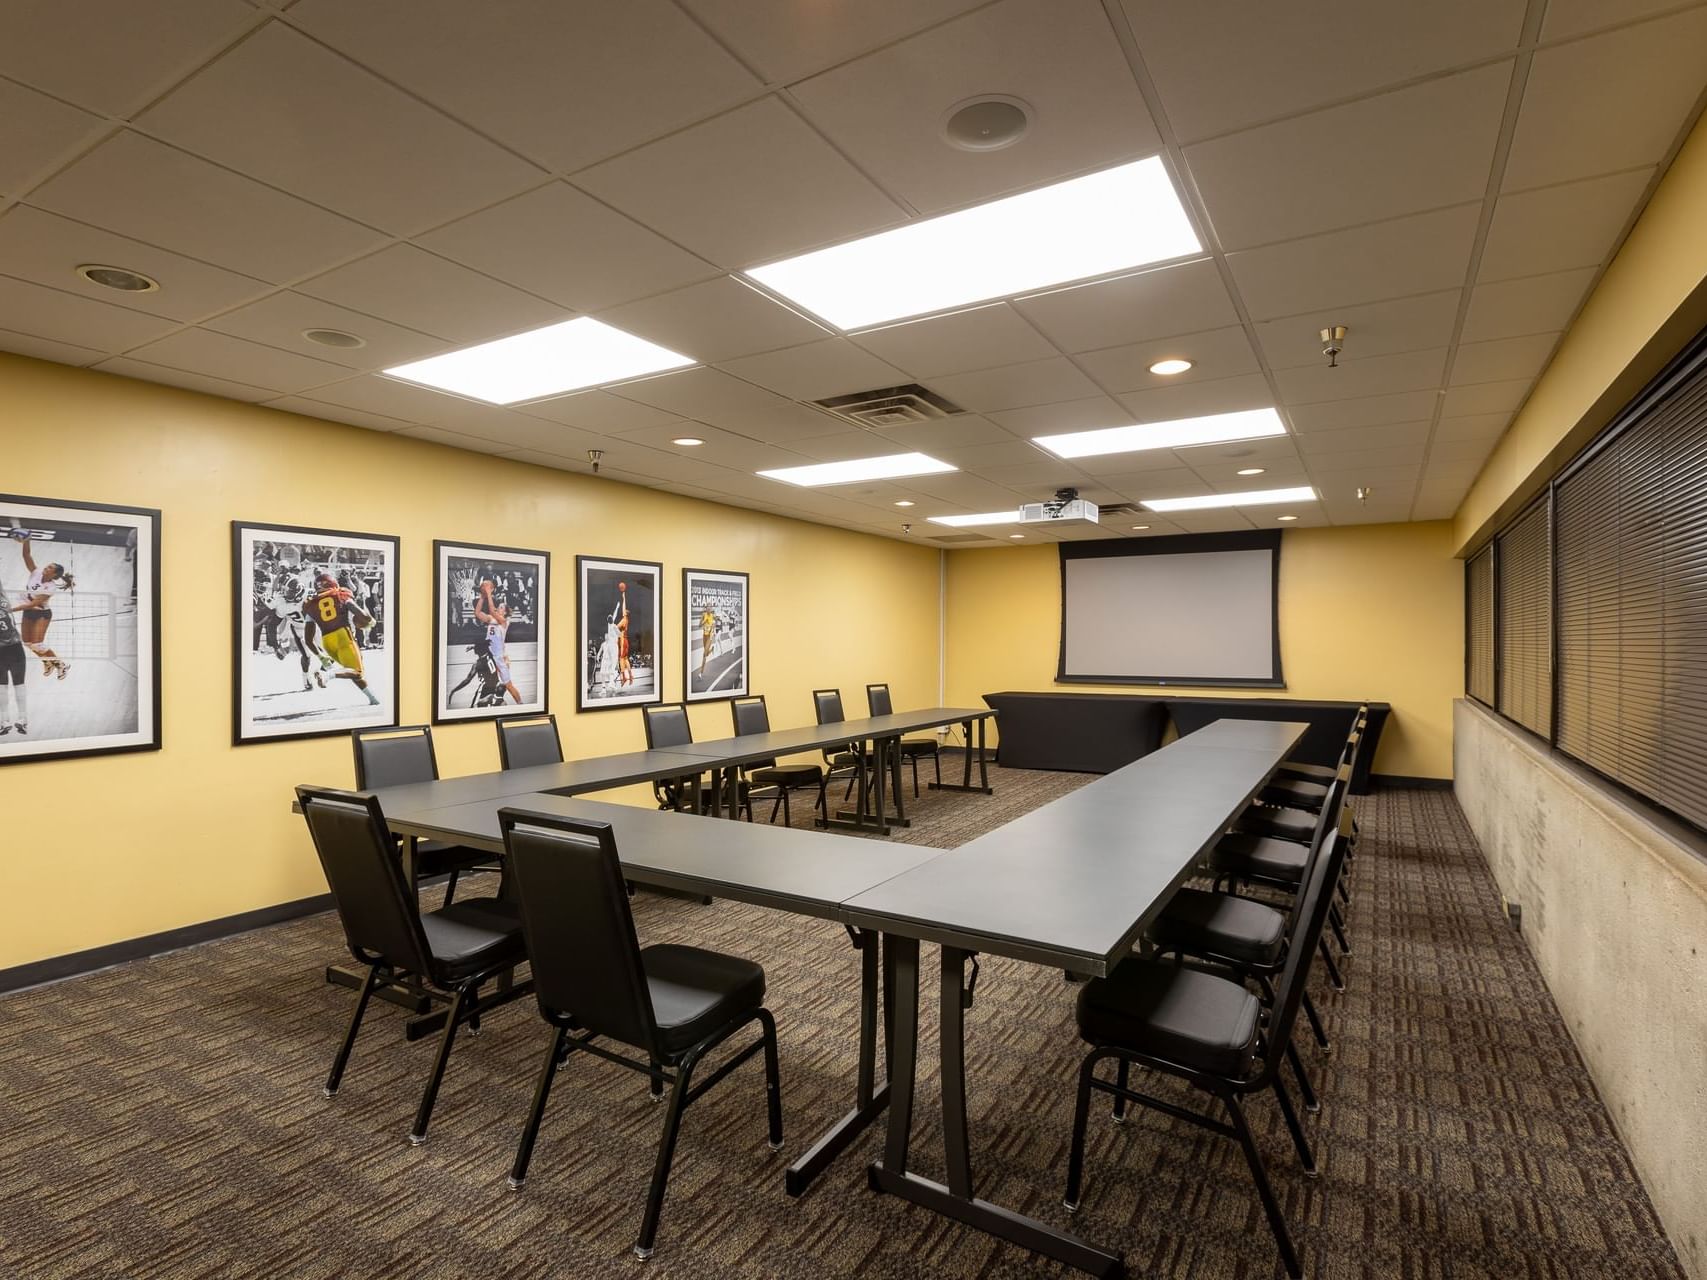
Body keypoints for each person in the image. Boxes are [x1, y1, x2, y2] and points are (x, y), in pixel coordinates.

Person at [303, 572, 379, 706]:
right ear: (333, 584)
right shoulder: (341, 594)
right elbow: (361, 614)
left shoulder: (310, 604)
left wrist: (320, 656)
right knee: (357, 671)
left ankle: (372, 698)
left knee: (351, 670)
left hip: (327, 641)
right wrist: (370, 621)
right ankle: (327, 675)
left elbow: (308, 639)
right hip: (343, 635)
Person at [10, 531, 71, 680]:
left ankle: (60, 664)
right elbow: (27, 556)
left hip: (42, 614)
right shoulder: (36, 573)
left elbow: (33, 604)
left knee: (37, 644)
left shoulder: (50, 588)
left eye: (50, 567)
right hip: (29, 611)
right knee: (28, 643)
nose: (46, 567)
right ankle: (47, 662)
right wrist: (26, 541)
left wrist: (10, 610)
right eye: (48, 565)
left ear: (54, 575)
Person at [474, 580, 523, 705]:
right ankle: (490, 703)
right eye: (499, 606)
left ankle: (521, 705)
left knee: (509, 685)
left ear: (505, 612)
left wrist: (489, 593)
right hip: (491, 656)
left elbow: (491, 610)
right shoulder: (491, 619)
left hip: (500, 658)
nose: (498, 608)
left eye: (501, 607)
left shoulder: (503, 622)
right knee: (488, 684)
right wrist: (482, 597)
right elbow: (478, 613)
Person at [0, 578, 27, 735]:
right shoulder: (3, 598)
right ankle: (23, 720)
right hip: (16, 648)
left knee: (1, 686)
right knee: (19, 684)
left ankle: (4, 721)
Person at [699, 602, 717, 677]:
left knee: (704, 654)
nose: (709, 608)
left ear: (711, 609)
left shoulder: (713, 616)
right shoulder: (703, 615)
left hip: (710, 636)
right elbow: (699, 625)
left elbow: (714, 625)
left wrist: (713, 630)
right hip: (704, 636)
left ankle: (701, 672)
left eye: (710, 607)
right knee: (706, 653)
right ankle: (711, 650)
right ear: (706, 608)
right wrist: (704, 621)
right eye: (708, 607)